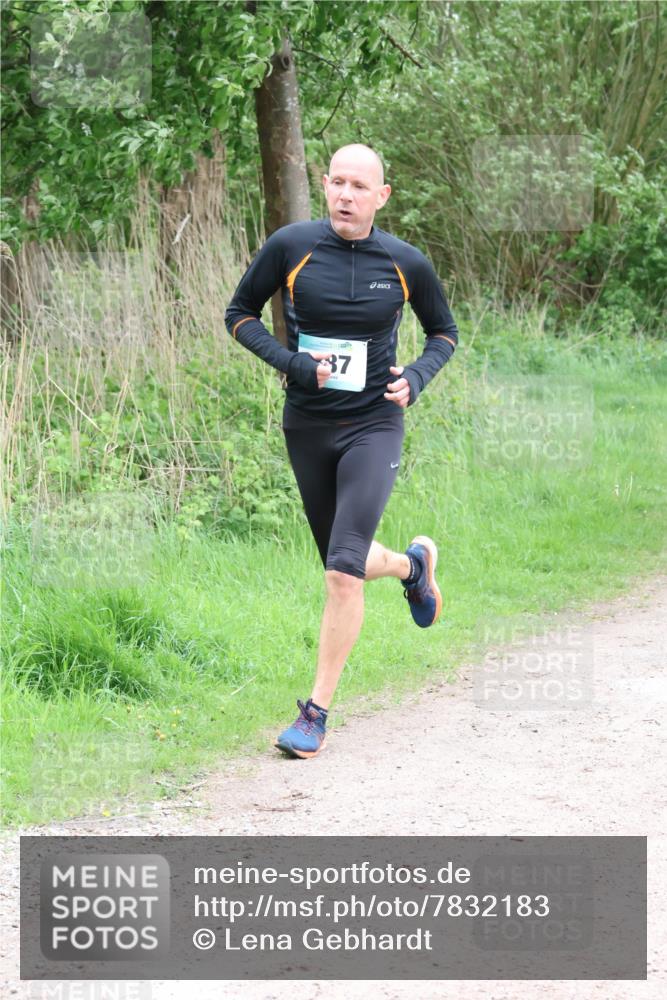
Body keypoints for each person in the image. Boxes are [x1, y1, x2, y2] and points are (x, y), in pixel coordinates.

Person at [224, 143, 459, 759]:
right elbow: (239, 314)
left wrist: (418, 378)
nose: (346, 195)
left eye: (360, 186)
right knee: (342, 559)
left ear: (382, 196)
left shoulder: (406, 262)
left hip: (373, 424)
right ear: (324, 186)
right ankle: (412, 567)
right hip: (308, 424)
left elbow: (444, 333)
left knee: (339, 572)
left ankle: (315, 714)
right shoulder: (291, 246)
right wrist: (294, 364)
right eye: (337, 183)